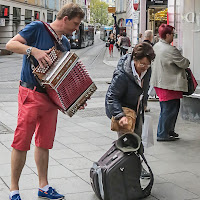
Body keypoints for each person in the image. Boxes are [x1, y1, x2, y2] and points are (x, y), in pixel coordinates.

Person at [5, 3, 85, 200]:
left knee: (44, 143)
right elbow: (10, 44)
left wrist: (75, 100)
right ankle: (14, 190)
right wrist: (34, 51)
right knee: (21, 142)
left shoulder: (65, 43)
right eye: (75, 23)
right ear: (65, 19)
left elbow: (63, 78)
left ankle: (44, 186)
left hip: (50, 100)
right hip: (30, 93)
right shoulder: (37, 27)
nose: (77, 28)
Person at [105, 42, 155, 178]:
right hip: (123, 110)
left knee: (137, 139)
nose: (144, 68)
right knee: (126, 142)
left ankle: (135, 167)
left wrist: (144, 104)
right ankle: (122, 168)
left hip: (136, 109)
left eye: (148, 64)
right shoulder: (122, 74)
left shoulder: (147, 70)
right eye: (142, 64)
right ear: (134, 59)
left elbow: (144, 88)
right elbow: (112, 97)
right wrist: (120, 115)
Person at [150, 24, 190, 142]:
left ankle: (168, 130)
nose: (174, 36)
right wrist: (186, 60)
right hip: (169, 84)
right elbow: (184, 63)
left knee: (170, 108)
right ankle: (162, 133)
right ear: (167, 35)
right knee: (169, 109)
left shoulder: (157, 46)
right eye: (173, 34)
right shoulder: (170, 50)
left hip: (161, 82)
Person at [143, 30, 154, 113]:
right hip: (147, 69)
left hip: (139, 69)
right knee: (145, 87)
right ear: (151, 37)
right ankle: (144, 106)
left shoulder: (140, 45)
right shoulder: (151, 46)